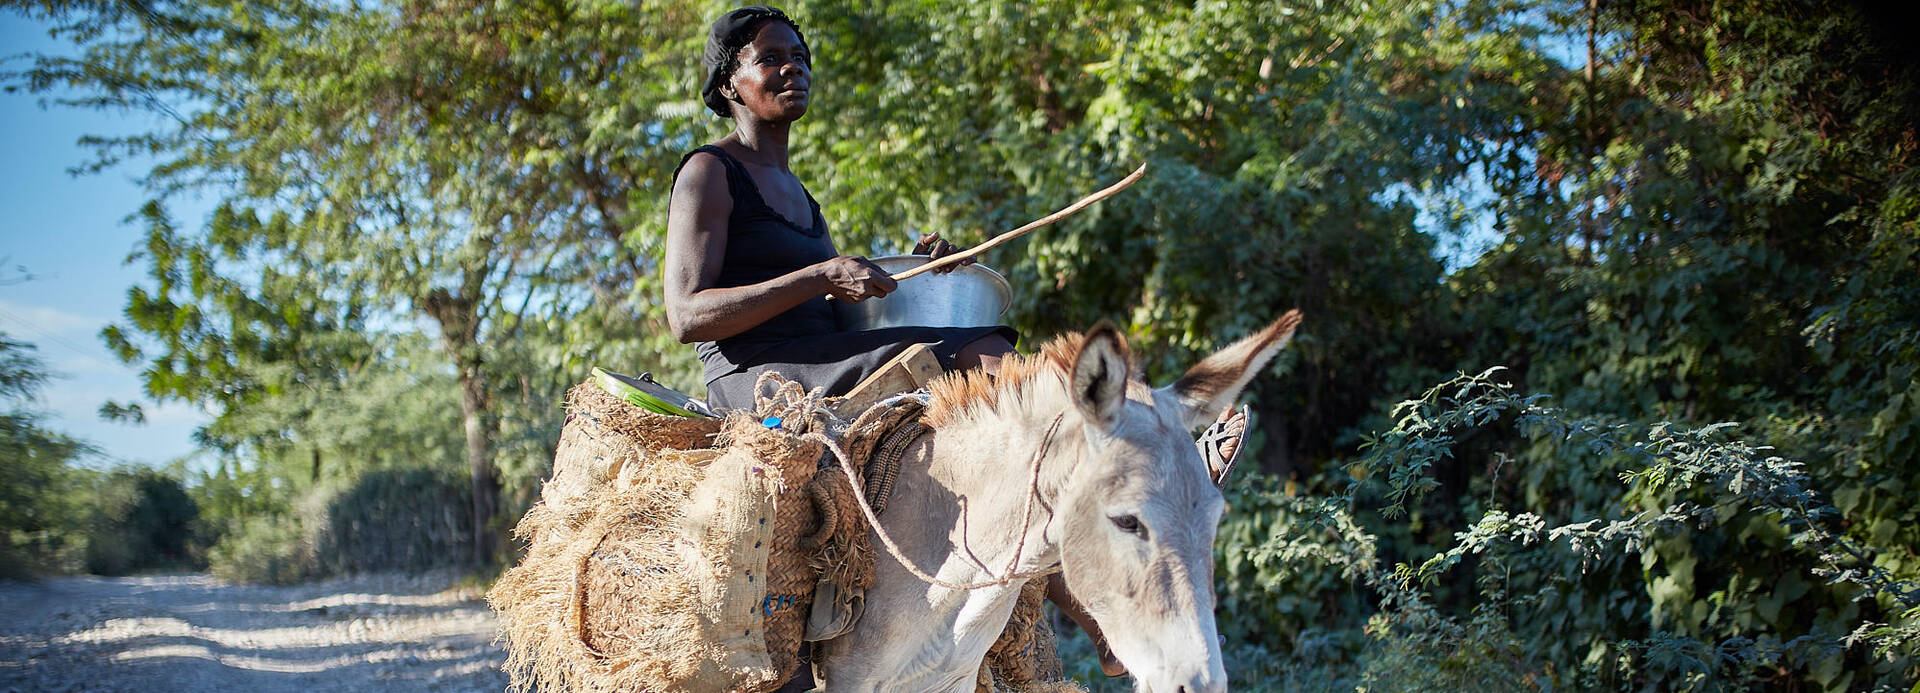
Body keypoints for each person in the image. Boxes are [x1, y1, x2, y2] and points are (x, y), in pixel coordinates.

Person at [663, 6, 1243, 684]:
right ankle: (1139, 427)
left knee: (1008, 457)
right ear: (730, 82)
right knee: (972, 343)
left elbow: (823, 306)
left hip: (821, 360)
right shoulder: (708, 172)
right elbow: (686, 313)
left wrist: (912, 272)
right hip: (756, 377)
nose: (795, 66)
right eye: (772, 57)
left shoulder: (800, 196)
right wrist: (824, 273)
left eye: (802, 55)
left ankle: (1100, 616)